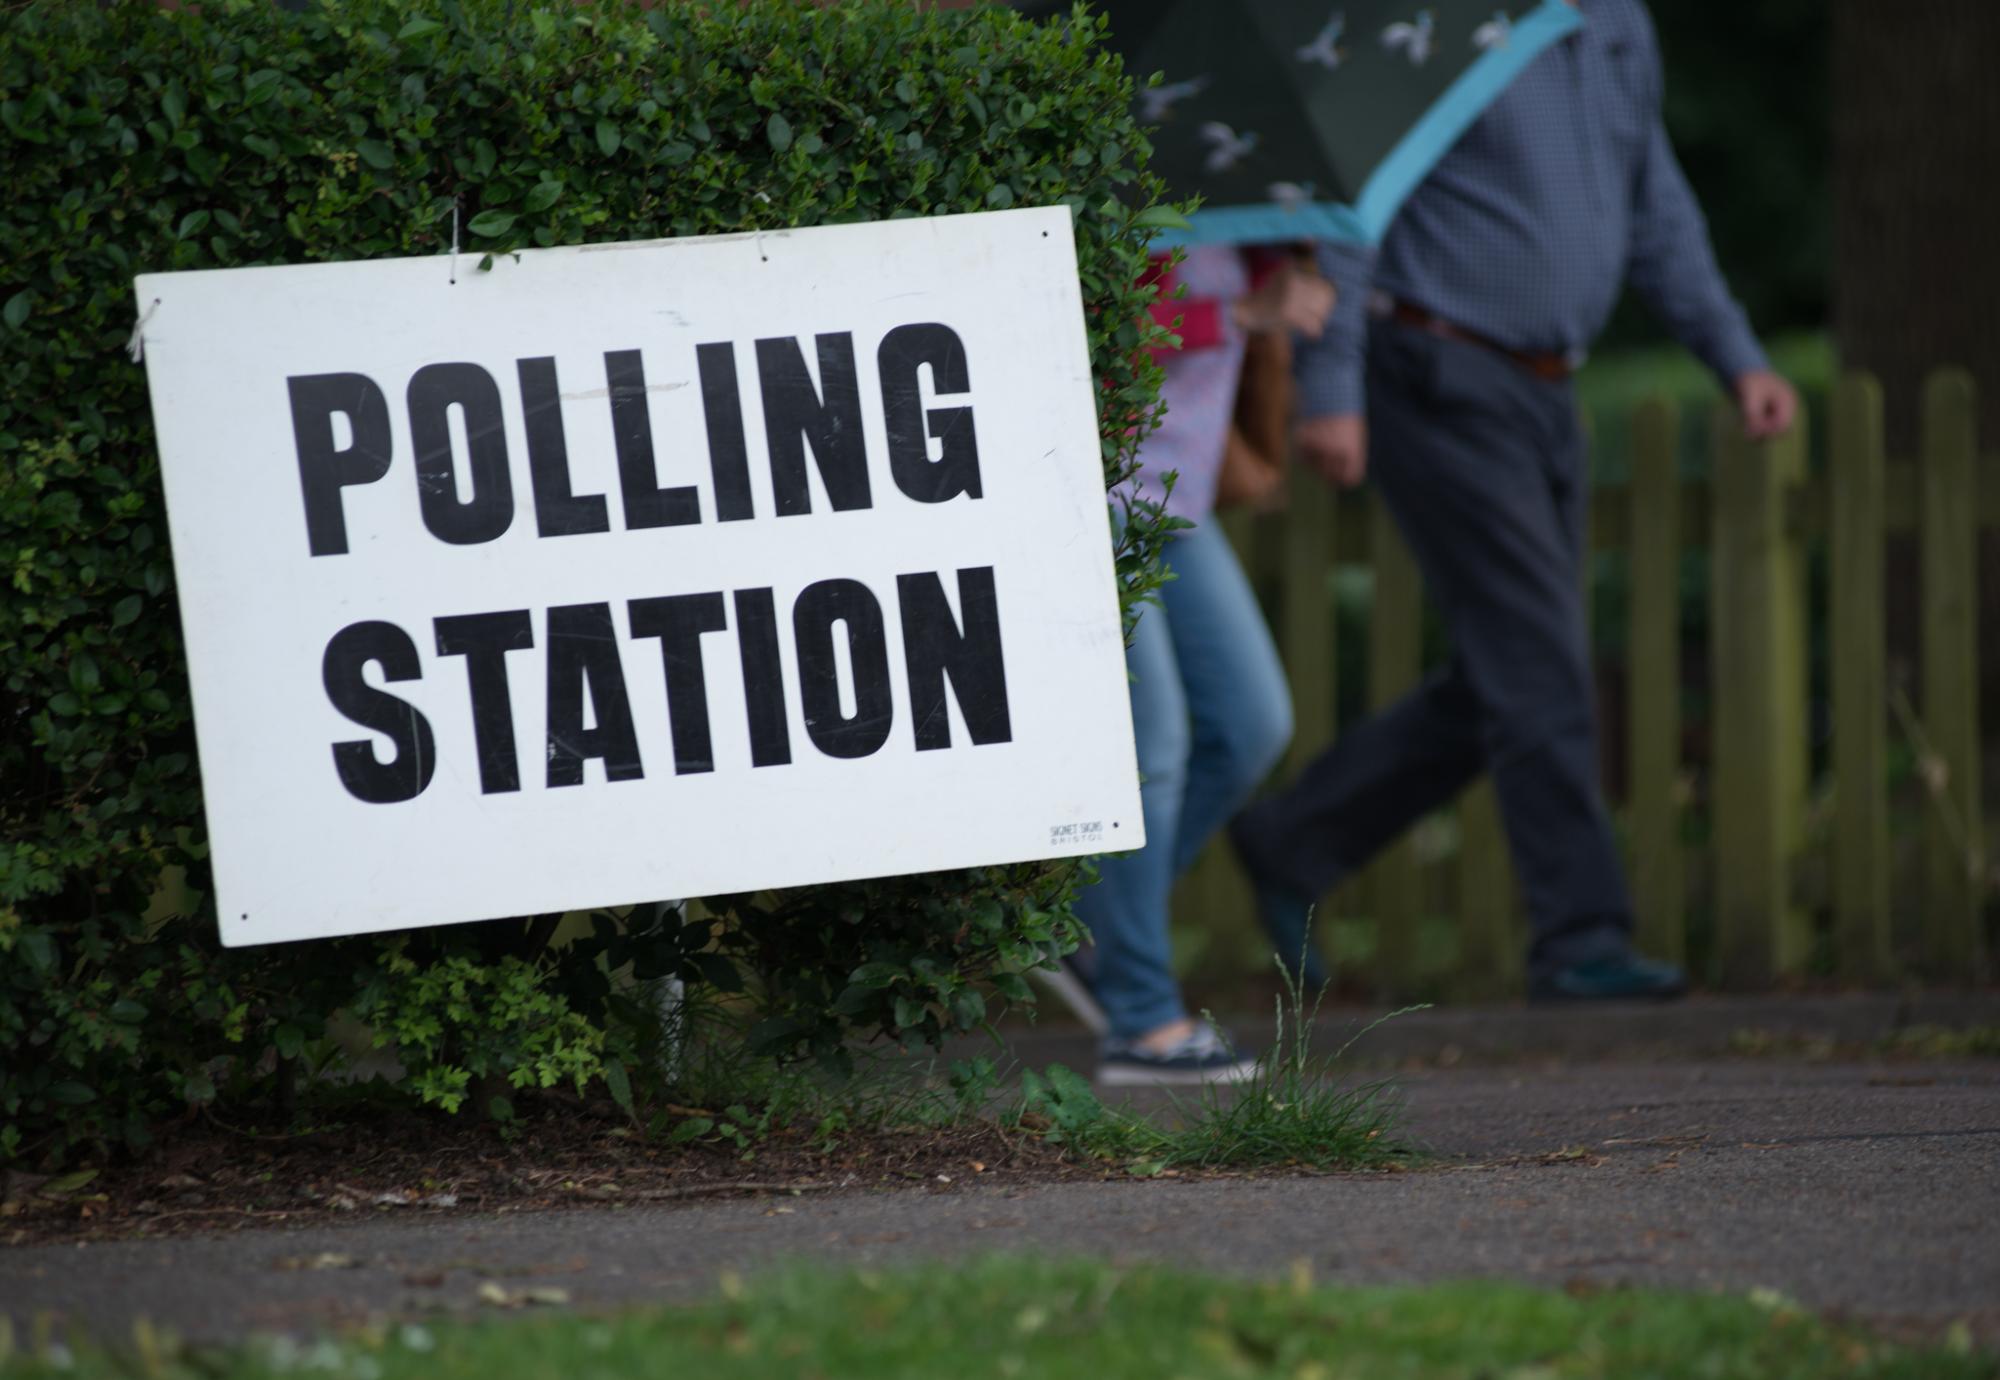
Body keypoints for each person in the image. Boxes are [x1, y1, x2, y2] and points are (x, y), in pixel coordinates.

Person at [1230, 0, 1800, 1002]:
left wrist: (1735, 354)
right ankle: (1579, 939)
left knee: (1519, 662)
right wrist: (1331, 389)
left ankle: (1291, 839)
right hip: (1432, 366)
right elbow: (1358, 187)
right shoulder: (1445, 20)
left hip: (1543, 386)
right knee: (1535, 659)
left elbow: (1654, 205)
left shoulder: (1619, 24)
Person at [1068, 243, 1334, 1084]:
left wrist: (1284, 286)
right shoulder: (1130, 173)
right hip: (1096, 489)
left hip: (1180, 501)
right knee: (1156, 746)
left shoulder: (1261, 215)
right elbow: (1078, 334)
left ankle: (1082, 925)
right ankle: (1141, 1022)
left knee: (1255, 724)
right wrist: (1239, 315)